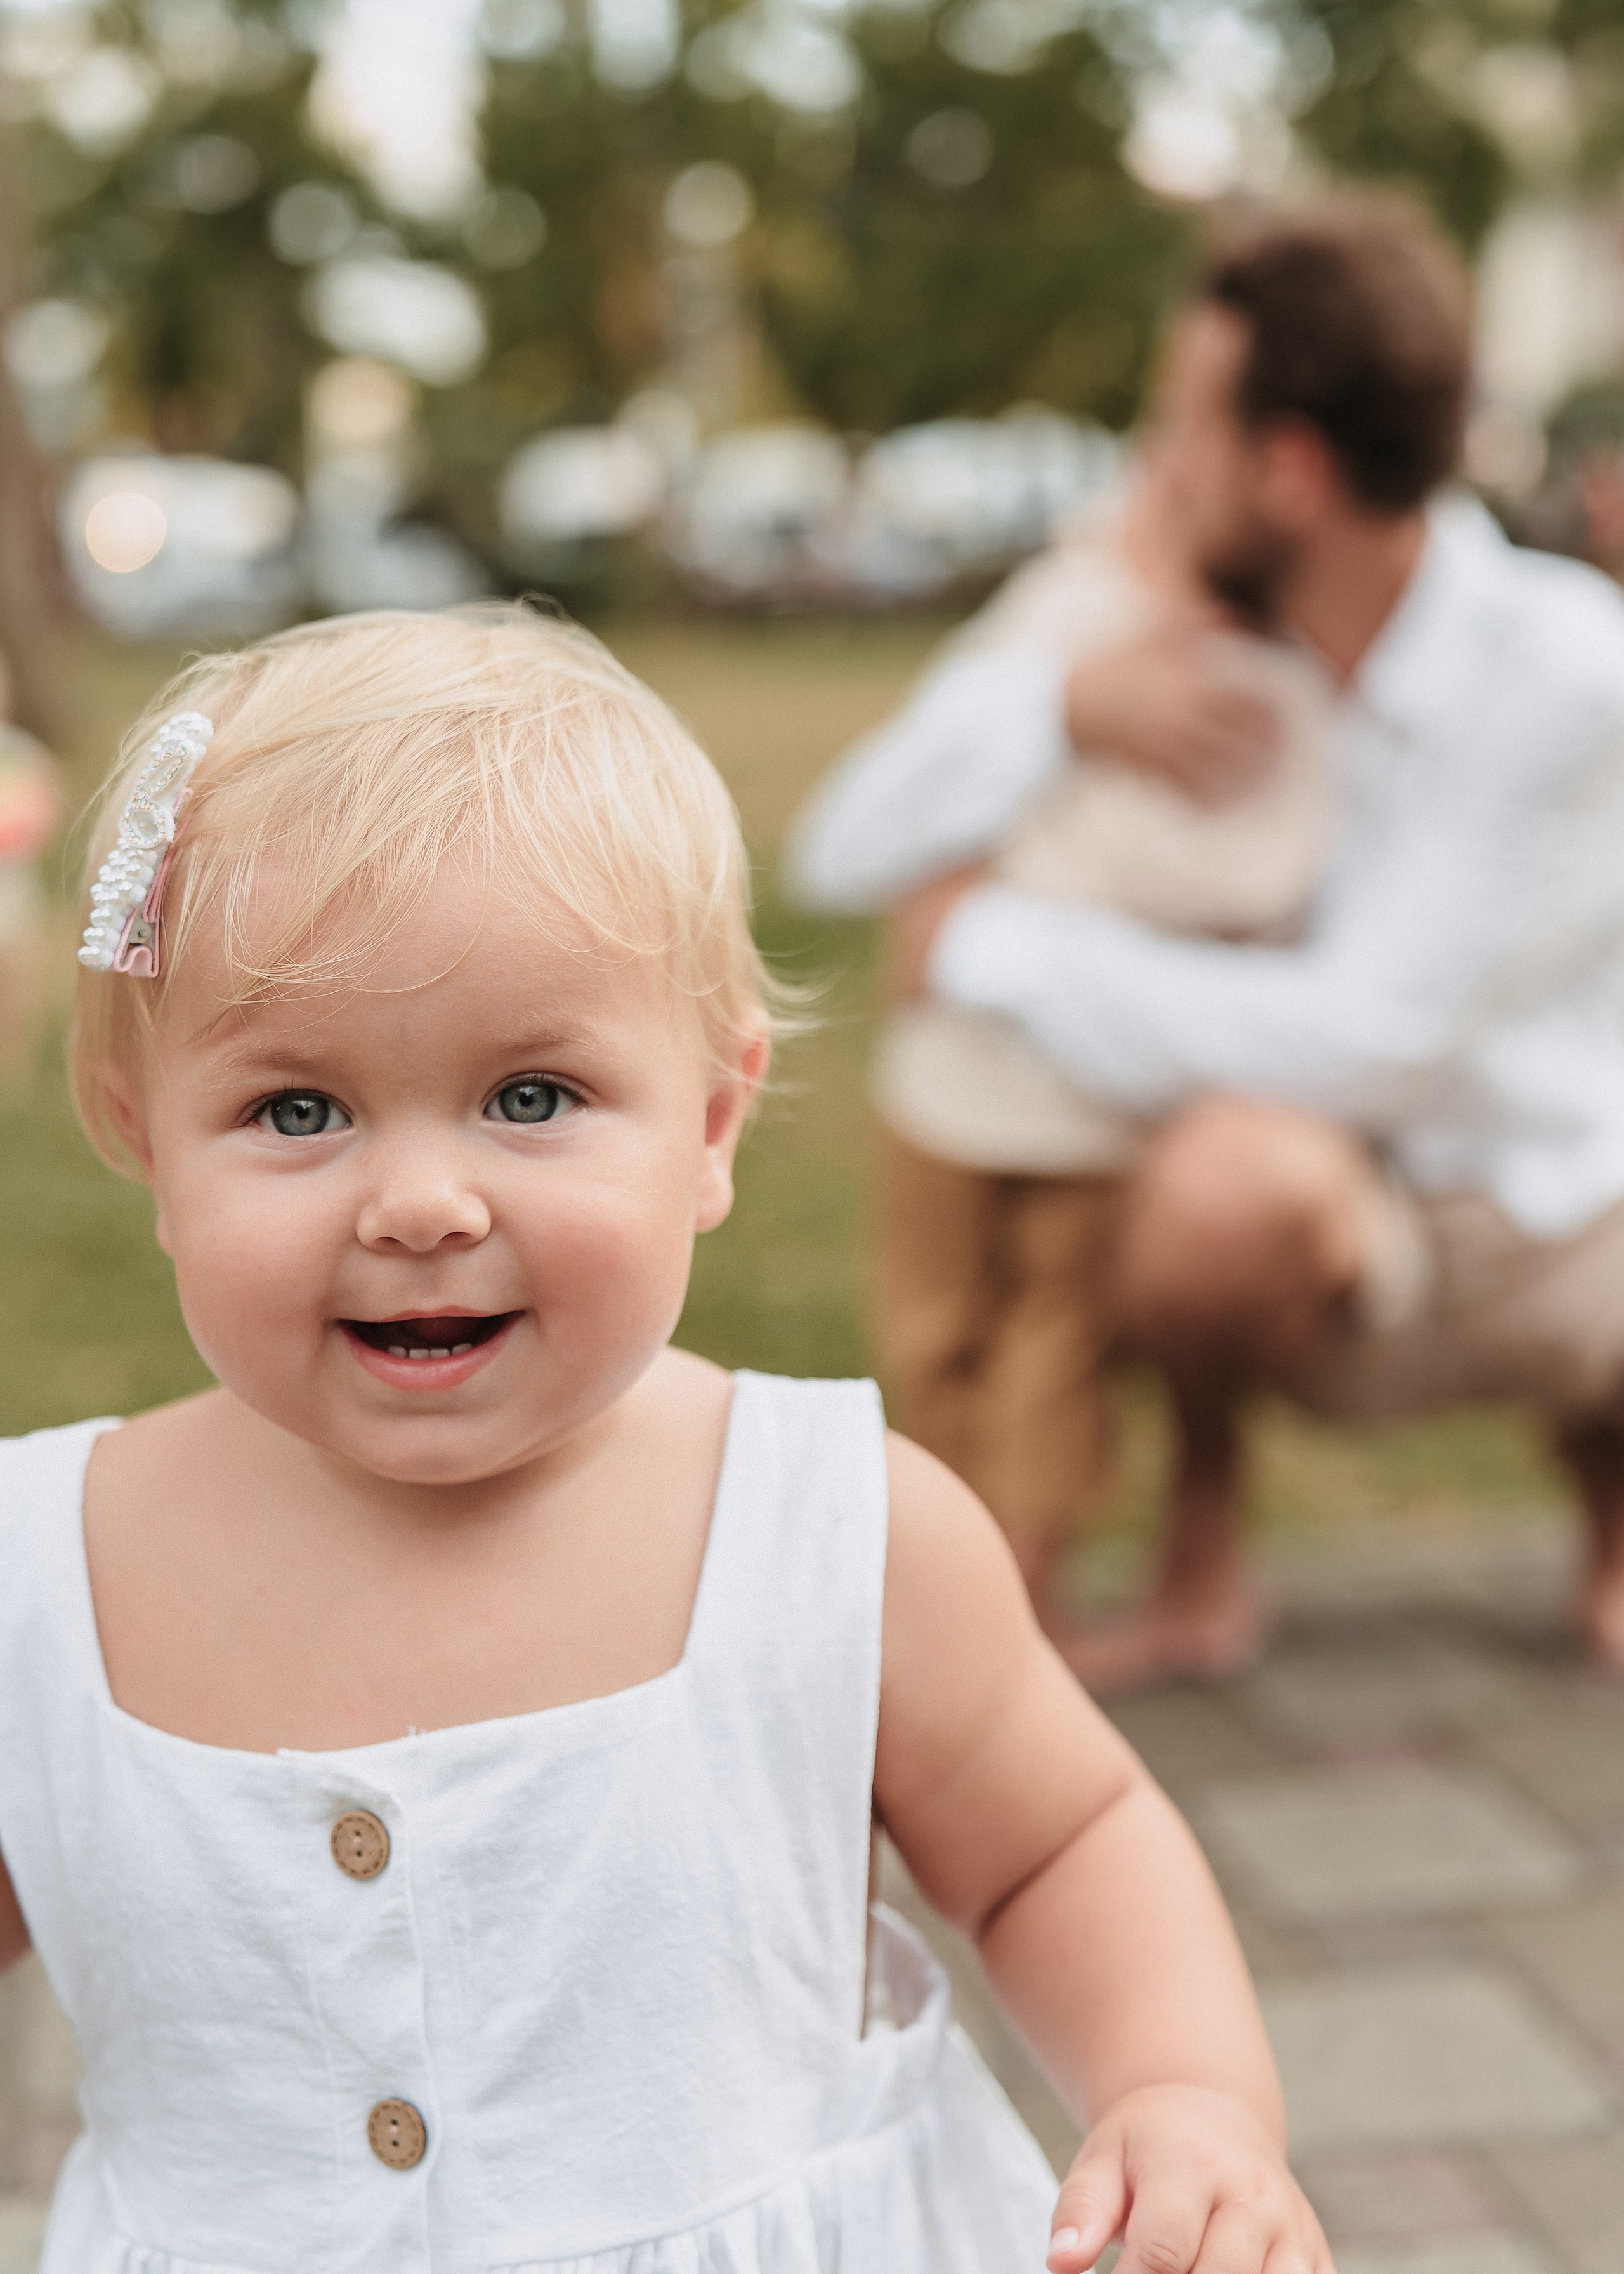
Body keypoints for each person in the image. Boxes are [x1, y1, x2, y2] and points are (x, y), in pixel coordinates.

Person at [0, 607, 1329, 2274]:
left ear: (709, 1124)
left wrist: (1182, 2094)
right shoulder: (45, 1580)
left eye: (533, 1096)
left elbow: (1061, 1843)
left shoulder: (833, 1531)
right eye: (298, 1111)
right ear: (142, 1137)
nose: (421, 1202)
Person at [787, 194, 1624, 1693]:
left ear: (1288, 470)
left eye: (1183, 423)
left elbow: (1369, 1041)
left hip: (1556, 1219)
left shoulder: (1559, 670)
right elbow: (840, 846)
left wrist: (985, 942)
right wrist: (1058, 706)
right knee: (1211, 1181)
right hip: (1351, 1209)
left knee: (1259, 1141)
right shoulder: (1183, 622)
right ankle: (1199, 1534)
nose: (1154, 463)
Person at [787, 472, 1329, 1631]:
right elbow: (875, 818)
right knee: (935, 1334)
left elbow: (1252, 886)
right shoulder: (1064, 622)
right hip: (947, 1090)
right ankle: (943, 1576)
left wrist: (1002, 927)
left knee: (1053, 1355)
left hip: (1083, 1112)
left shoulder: (1270, 693)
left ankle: (1019, 1595)